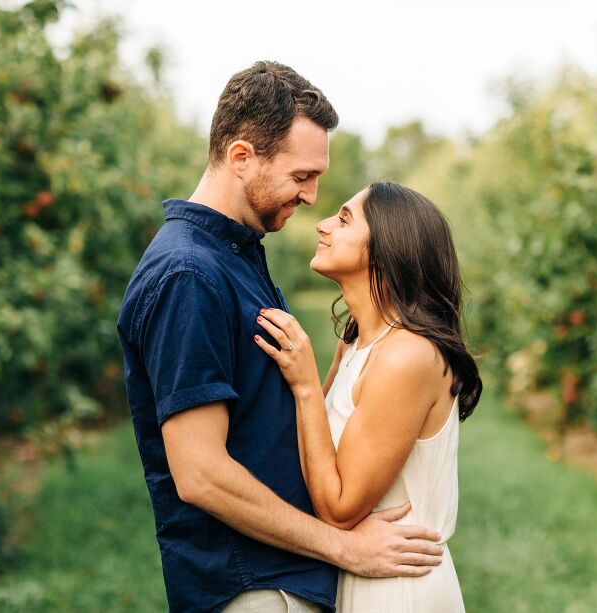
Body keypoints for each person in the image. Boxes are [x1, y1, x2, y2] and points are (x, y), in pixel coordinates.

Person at [116, 62, 444, 613]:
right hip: (255, 585)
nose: (313, 197)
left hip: (283, 579)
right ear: (241, 157)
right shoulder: (190, 275)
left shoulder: (234, 257)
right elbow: (201, 475)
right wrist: (346, 548)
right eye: (301, 177)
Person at [254, 182, 483, 612]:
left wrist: (305, 386)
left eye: (343, 219)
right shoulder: (356, 341)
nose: (322, 225)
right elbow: (313, 454)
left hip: (398, 587)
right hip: (361, 573)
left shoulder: (406, 356)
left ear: (387, 249)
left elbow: (338, 509)